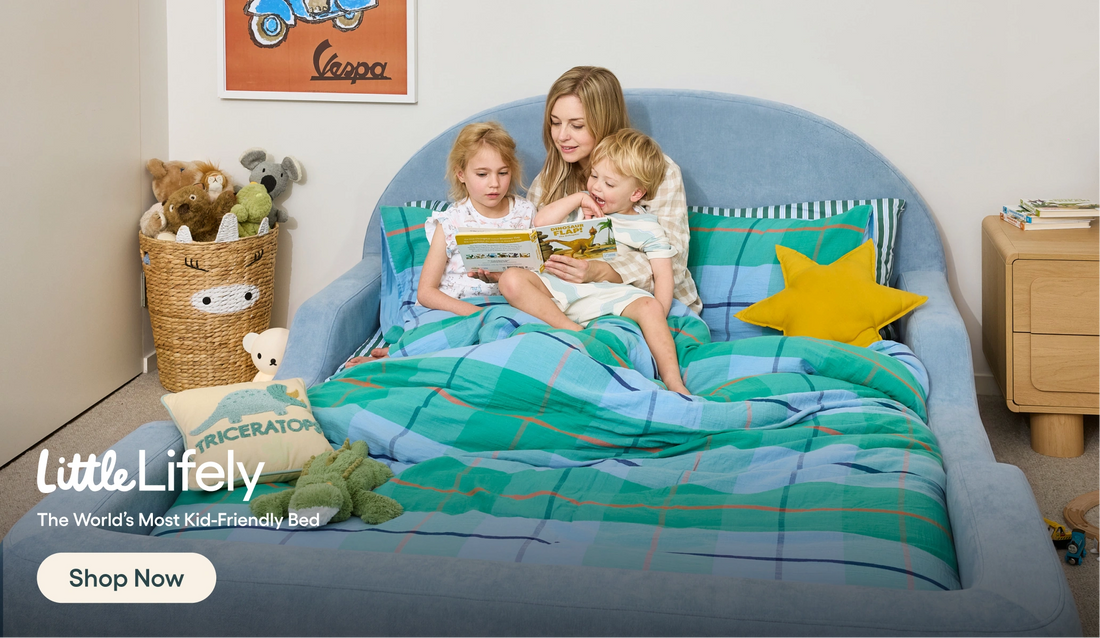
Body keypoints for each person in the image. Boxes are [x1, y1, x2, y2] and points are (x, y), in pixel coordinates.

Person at [498, 129, 689, 395]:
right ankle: (572, 330)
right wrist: (578, 198)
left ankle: (674, 381)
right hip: (563, 288)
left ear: (636, 193)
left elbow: (664, 275)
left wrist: (658, 313)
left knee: (650, 306)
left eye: (609, 184)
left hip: (611, 295)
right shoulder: (582, 208)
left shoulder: (647, 226)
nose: (597, 187)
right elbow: (540, 223)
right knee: (510, 279)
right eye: (594, 176)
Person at [350, 122, 533, 365]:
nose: (494, 183)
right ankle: (398, 358)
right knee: (451, 336)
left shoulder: (526, 212)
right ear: (461, 174)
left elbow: (537, 274)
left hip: (506, 307)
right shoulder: (451, 221)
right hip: (457, 309)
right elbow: (426, 292)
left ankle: (413, 354)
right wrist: (478, 315)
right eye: (482, 174)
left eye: (503, 172)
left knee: (521, 339)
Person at [527, 66, 701, 315]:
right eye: (555, 123)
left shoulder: (657, 171)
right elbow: (532, 247)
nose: (562, 136)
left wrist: (601, 271)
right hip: (574, 304)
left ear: (604, 122)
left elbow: (672, 265)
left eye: (577, 125)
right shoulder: (549, 179)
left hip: (648, 303)